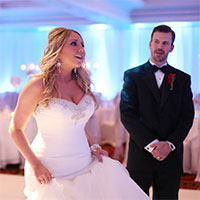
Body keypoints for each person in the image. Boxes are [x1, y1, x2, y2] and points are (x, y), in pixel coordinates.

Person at [9, 27, 149, 200]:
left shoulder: (82, 83)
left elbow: (77, 122)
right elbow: (15, 129)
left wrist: (93, 146)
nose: (81, 49)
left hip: (84, 162)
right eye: (74, 44)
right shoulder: (38, 85)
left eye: (83, 44)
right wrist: (36, 165)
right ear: (57, 49)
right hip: (51, 166)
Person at [120, 25, 195, 199]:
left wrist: (168, 144)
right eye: (156, 42)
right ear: (150, 44)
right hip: (141, 152)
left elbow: (187, 116)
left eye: (165, 43)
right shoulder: (132, 75)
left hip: (171, 155)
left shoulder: (182, 79)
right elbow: (127, 114)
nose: (160, 46)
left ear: (172, 47)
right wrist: (152, 143)